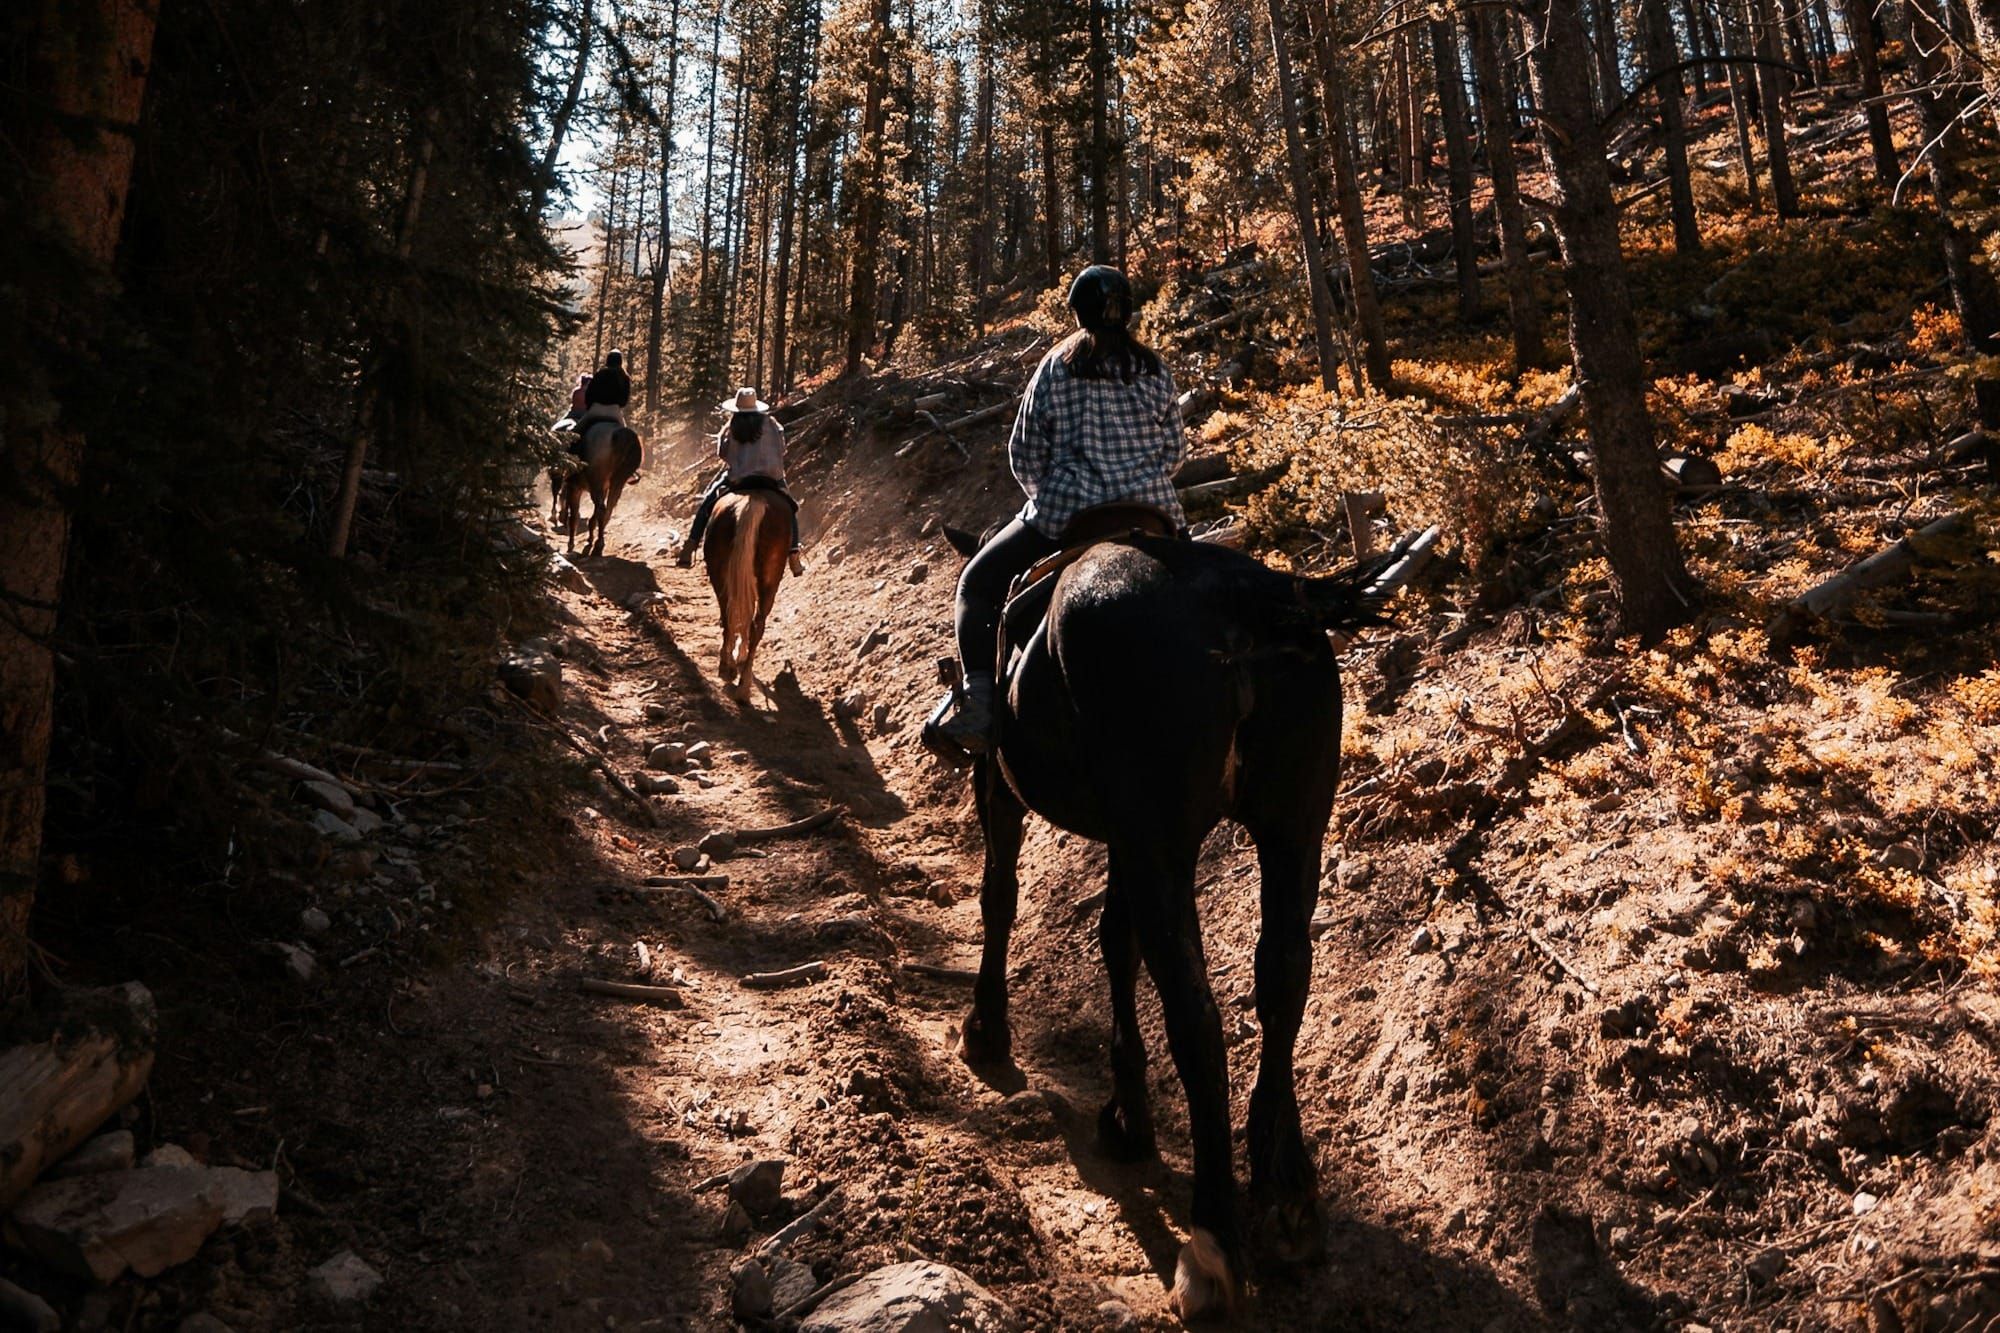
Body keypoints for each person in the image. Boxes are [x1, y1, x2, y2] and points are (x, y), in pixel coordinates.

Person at [930, 265, 1187, 754]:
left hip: (1070, 513)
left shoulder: (1057, 365)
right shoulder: (1155, 368)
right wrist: (1140, 480)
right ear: (1127, 310)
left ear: (1078, 312)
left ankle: (980, 705)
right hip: (1152, 513)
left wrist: (1047, 497)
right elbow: (1174, 454)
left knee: (977, 584)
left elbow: (1024, 454)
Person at [676, 386, 805, 577]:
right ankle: (794, 555)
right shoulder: (772, 424)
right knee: (790, 509)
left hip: (739, 478)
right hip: (771, 478)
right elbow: (782, 449)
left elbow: (722, 453)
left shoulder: (732, 426)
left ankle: (690, 546)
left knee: (707, 503)